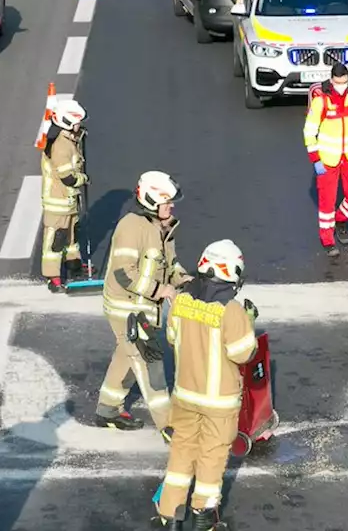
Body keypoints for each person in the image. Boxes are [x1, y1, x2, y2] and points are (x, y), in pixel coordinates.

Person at [152, 240, 258, 530]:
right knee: (211, 457)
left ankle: (169, 514)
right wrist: (248, 322)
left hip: (185, 396)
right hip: (219, 403)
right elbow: (243, 353)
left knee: (182, 452)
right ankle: (203, 517)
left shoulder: (183, 300)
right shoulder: (232, 310)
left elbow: (173, 336)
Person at [95, 171, 192, 432]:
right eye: (167, 202)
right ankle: (170, 427)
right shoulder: (131, 227)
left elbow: (170, 264)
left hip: (143, 307)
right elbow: (123, 273)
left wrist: (186, 280)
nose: (171, 206)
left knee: (126, 356)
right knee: (151, 364)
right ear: (151, 201)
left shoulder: (163, 228)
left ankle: (107, 409)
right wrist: (161, 290)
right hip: (126, 309)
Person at [303, 63, 348, 256]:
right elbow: (309, 131)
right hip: (327, 159)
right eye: (337, 82)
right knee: (326, 202)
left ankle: (340, 219)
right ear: (331, 80)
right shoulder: (322, 100)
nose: (341, 86)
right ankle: (327, 239)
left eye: (344, 82)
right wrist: (315, 159)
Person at [40, 99, 88, 292]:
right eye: (77, 122)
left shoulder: (69, 140)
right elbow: (67, 177)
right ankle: (53, 276)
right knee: (56, 239)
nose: (80, 125)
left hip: (69, 200)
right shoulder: (60, 146)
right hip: (58, 201)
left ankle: (74, 265)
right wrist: (83, 179)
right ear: (68, 122)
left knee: (72, 234)